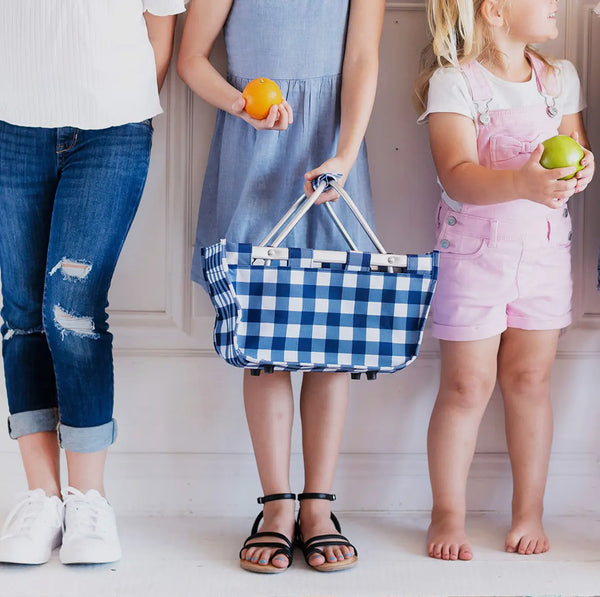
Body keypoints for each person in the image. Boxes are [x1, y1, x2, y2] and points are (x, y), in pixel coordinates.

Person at [178, 0, 384, 573]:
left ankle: (318, 505)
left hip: (331, 151)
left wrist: (343, 153)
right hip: (255, 154)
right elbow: (191, 59)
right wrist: (241, 105)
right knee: (263, 343)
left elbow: (364, 56)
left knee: (329, 342)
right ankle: (276, 507)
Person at [0, 1, 185, 565]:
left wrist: (112, 102)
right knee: (22, 311)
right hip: (12, 127)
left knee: (71, 311)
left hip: (112, 133)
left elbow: (160, 34)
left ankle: (88, 498)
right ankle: (42, 497)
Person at [415, 0, 595, 561]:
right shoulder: (455, 84)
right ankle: (447, 513)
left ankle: (528, 512)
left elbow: (579, 149)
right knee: (467, 387)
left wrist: (582, 167)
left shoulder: (558, 78)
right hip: (474, 259)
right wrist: (521, 181)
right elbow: (458, 175)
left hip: (542, 256)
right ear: (494, 11)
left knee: (530, 381)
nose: (554, 5)